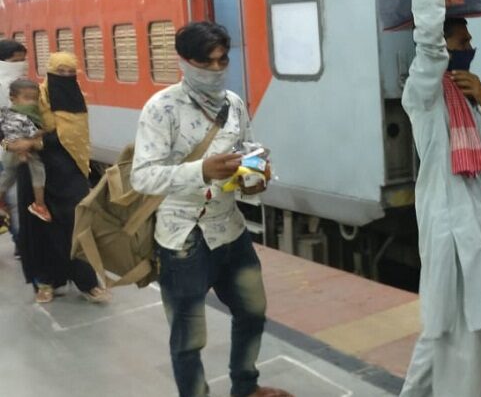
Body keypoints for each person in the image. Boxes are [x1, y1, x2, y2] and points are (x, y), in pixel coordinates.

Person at [130, 21, 291, 397]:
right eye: (208, 63)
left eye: (223, 61)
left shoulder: (232, 104)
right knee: (189, 337)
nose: (217, 70)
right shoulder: (161, 109)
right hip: (183, 235)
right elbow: (142, 177)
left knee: (252, 311)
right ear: (184, 62)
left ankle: (245, 386)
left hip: (230, 228)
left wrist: (256, 177)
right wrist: (200, 169)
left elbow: (247, 149)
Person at [397, 0, 481, 397]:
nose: (467, 43)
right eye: (461, 34)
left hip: (471, 231)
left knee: (444, 337)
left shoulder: (460, 99)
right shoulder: (423, 92)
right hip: (449, 233)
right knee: (460, 347)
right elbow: (429, 39)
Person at [8, 52, 110, 304]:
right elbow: (17, 121)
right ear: (49, 72)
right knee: (39, 228)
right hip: (35, 170)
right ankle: (45, 282)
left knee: (77, 224)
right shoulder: (36, 95)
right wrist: (19, 143)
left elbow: (72, 138)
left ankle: (86, 281)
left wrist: (37, 141)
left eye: (69, 72)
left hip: (69, 170)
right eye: (59, 72)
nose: (64, 77)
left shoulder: (76, 100)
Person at [0, 79, 49, 222]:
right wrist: (20, 147)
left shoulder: (8, 113)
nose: (31, 103)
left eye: (34, 99)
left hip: (13, 153)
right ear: (13, 98)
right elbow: (33, 134)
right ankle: (39, 204)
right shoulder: (24, 114)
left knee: (8, 177)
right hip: (18, 152)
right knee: (38, 173)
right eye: (27, 98)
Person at [0, 39, 28, 239]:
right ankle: (22, 242)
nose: (21, 64)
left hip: (22, 151)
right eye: (15, 61)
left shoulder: (21, 87)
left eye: (23, 60)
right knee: (15, 201)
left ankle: (23, 243)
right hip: (5, 153)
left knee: (18, 201)